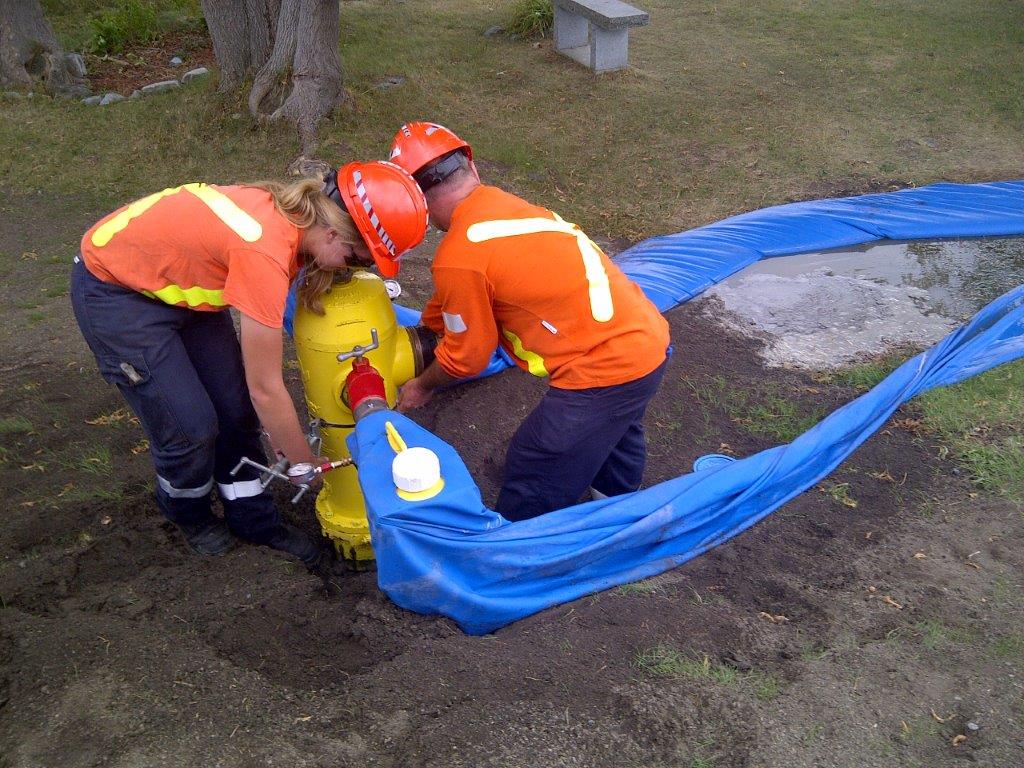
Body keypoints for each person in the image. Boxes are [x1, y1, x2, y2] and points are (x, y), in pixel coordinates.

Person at [71, 161, 428, 572]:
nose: (352, 270)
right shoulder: (264, 252)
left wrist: (286, 440)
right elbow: (267, 387)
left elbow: (254, 398)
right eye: (356, 260)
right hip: (116, 290)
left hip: (181, 283)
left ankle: (253, 519)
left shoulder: (296, 228)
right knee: (191, 427)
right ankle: (189, 514)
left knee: (235, 410)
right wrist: (302, 464)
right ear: (333, 233)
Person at [390, 122, 670, 521]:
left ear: (415, 199)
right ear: (472, 168)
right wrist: (433, 324)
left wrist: (421, 385)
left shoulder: (460, 255)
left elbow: (468, 358)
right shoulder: (505, 208)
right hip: (646, 338)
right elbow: (464, 289)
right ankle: (618, 508)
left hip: (605, 368)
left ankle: (520, 551)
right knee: (619, 427)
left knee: (536, 460)